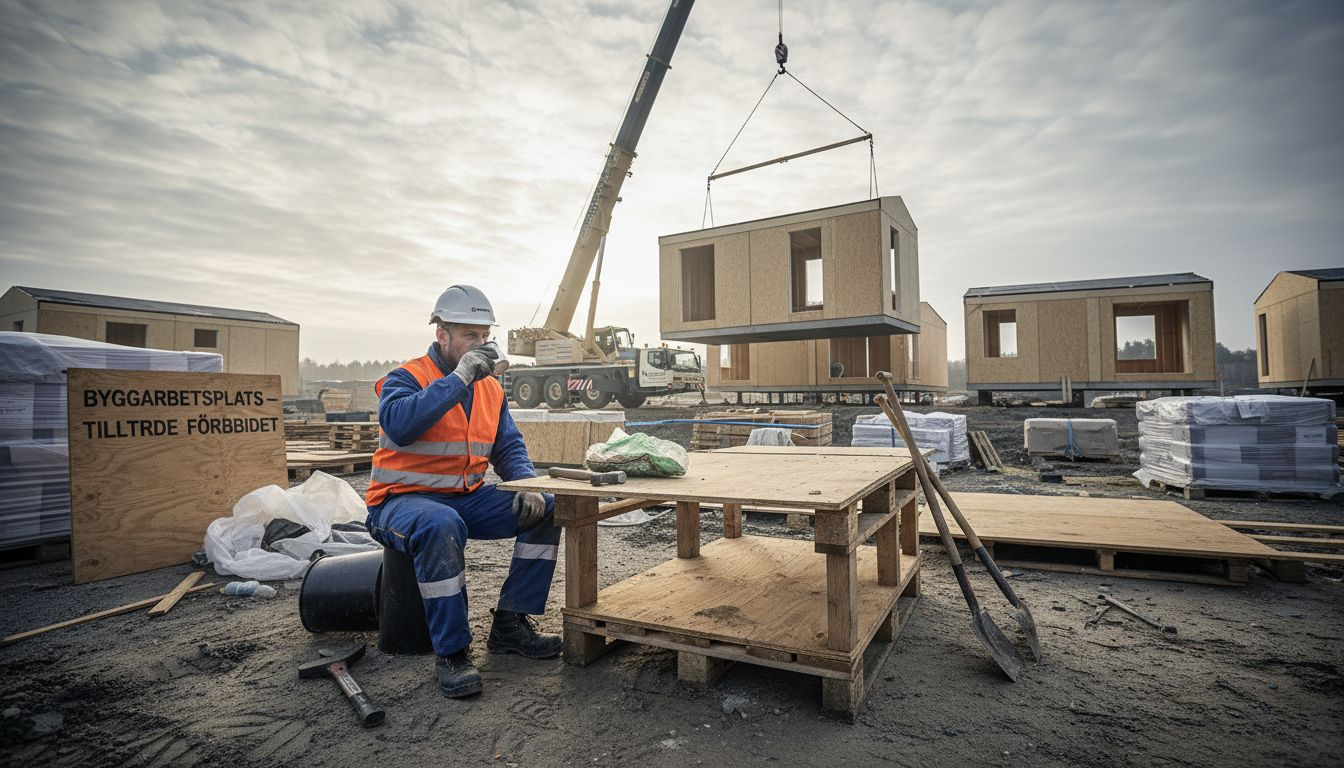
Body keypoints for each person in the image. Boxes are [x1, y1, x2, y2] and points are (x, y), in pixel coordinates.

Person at [365, 285, 560, 698]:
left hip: (464, 498)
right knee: (441, 523)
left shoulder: (490, 388)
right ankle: (452, 653)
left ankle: (511, 622)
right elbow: (400, 424)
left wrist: (526, 485)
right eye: (470, 336)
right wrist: (458, 378)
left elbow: (507, 445)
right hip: (401, 501)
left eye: (484, 336)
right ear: (443, 335)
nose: (480, 344)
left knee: (548, 506)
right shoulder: (408, 377)